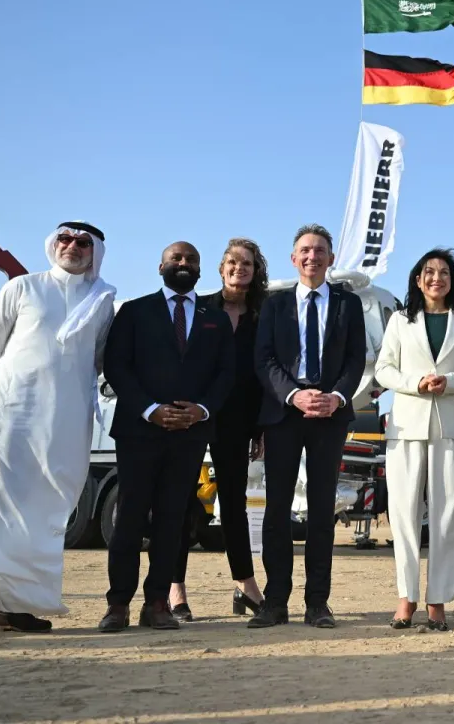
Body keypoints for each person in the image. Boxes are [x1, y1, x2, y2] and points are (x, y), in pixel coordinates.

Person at [0, 221, 116, 640]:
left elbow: (97, 361)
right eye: (65, 239)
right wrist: (9, 396)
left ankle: (18, 609)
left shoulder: (103, 299)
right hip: (10, 415)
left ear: (94, 251)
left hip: (65, 421)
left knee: (45, 514)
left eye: (82, 242)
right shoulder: (22, 288)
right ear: (52, 244)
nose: (72, 247)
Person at [98, 242, 236, 632]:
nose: (183, 264)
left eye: (191, 260)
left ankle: (157, 602)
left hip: (189, 435)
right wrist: (151, 410)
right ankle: (118, 604)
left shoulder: (215, 318)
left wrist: (201, 410)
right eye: (176, 258)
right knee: (129, 517)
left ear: (200, 270)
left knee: (172, 520)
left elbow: (226, 373)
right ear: (161, 267)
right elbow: (117, 366)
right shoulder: (134, 311)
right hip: (139, 432)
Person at [250, 224, 367, 628]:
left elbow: (356, 359)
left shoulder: (347, 305)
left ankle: (318, 603)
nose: (312, 257)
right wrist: (294, 395)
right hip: (284, 414)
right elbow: (263, 359)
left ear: (331, 259)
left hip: (330, 416)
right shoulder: (275, 305)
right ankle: (274, 601)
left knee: (321, 511)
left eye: (320, 250)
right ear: (293, 258)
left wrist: (335, 397)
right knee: (277, 511)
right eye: (305, 250)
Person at [374, 248, 454, 631]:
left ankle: (438, 600)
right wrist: (415, 384)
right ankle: (407, 597)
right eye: (429, 272)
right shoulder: (400, 322)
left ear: (452, 281)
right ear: (418, 280)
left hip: (451, 427)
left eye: (443, 273)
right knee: (404, 513)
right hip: (406, 425)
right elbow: (384, 369)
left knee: (450, 513)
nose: (436, 278)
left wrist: (450, 382)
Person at [169, 238, 272, 621]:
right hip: (195, 415)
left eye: (246, 262)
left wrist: (260, 428)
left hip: (239, 420)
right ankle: (174, 588)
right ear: (220, 267)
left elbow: (262, 374)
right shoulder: (198, 307)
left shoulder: (261, 316)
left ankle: (245, 585)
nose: (238, 267)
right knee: (181, 500)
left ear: (255, 271)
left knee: (234, 504)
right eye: (232, 261)